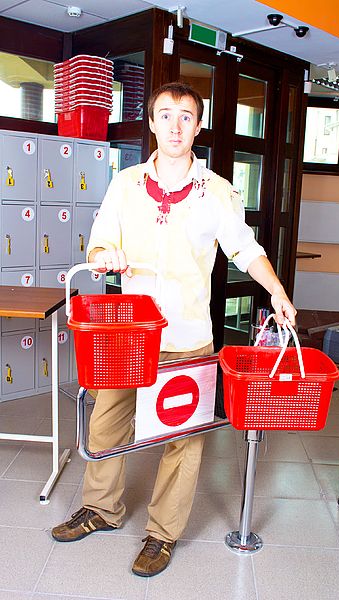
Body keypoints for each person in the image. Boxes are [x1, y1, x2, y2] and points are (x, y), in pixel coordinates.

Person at [52, 82, 297, 577]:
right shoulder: (125, 184)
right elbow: (97, 247)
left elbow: (246, 251)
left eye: (186, 116)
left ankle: (162, 535)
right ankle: (101, 508)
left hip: (187, 336)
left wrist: (276, 290)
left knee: (183, 437)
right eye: (165, 115)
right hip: (129, 332)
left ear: (198, 126)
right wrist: (105, 259)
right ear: (151, 123)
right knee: (107, 420)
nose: (175, 126)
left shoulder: (218, 192)